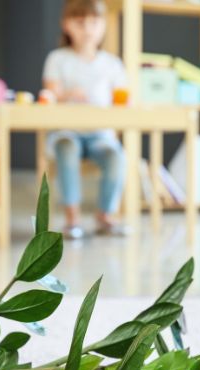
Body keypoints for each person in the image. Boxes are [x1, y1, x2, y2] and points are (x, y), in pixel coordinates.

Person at [42, 0, 128, 240]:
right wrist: (68, 94)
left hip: (101, 134)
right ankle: (72, 218)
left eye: (94, 22)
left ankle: (105, 216)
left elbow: (122, 100)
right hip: (67, 131)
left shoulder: (113, 64)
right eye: (80, 22)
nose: (88, 29)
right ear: (66, 25)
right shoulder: (58, 59)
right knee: (66, 147)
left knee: (116, 155)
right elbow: (50, 94)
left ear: (103, 25)